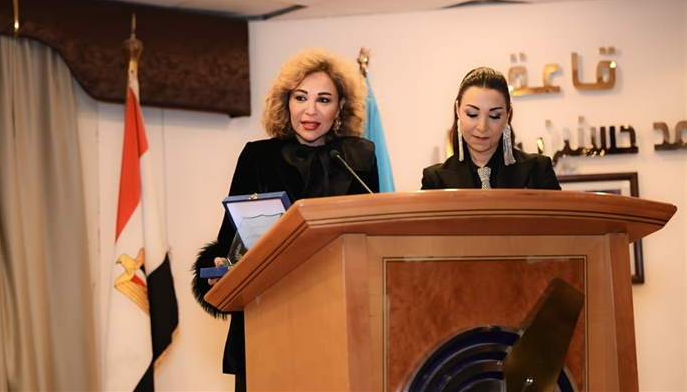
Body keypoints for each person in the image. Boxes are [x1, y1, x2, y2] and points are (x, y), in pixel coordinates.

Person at [191, 48, 380, 391]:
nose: (310, 110)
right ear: (286, 102)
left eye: (324, 99)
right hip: (265, 327)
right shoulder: (257, 157)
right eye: (301, 97)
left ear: (340, 107)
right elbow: (228, 241)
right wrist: (217, 265)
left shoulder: (359, 158)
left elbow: (370, 241)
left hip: (334, 328)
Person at [422, 66, 560, 190]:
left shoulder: (538, 170)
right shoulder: (435, 180)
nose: (482, 127)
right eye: (472, 114)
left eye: (494, 116)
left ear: (507, 115)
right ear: (458, 110)